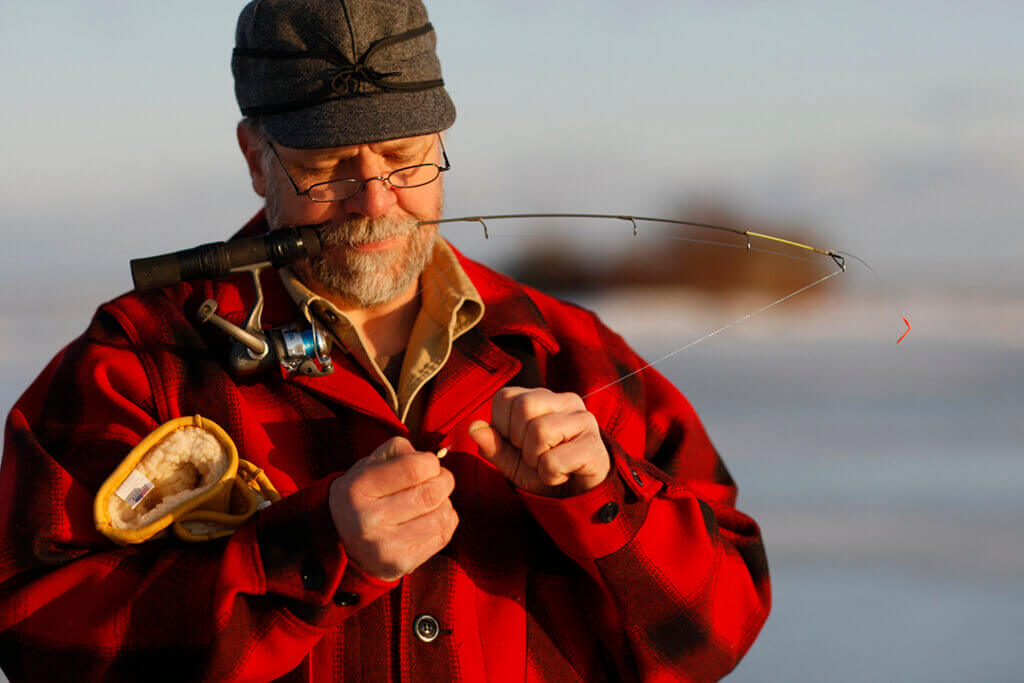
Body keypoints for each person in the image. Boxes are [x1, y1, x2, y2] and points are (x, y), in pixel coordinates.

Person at [0, 0, 770, 680]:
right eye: (326, 165)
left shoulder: (572, 351)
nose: (373, 200)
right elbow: (40, 641)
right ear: (254, 157)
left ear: (441, 136)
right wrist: (312, 550)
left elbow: (714, 635)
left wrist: (603, 501)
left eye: (404, 158)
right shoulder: (138, 362)